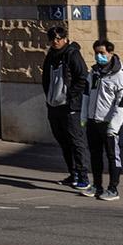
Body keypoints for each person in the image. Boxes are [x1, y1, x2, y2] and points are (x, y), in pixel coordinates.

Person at [41, 24, 91, 193]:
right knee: (63, 141)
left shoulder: (72, 54)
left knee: (76, 141)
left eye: (58, 38)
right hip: (54, 105)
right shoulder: (51, 55)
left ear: (65, 39)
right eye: (52, 39)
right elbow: (46, 78)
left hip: (70, 106)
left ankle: (83, 177)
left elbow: (82, 78)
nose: (55, 41)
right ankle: (73, 173)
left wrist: (70, 97)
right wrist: (49, 97)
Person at [84, 40, 123, 202]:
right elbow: (86, 96)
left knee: (112, 156)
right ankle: (97, 185)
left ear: (110, 53)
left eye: (102, 53)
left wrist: (114, 126)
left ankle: (113, 189)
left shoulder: (120, 74)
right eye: (96, 53)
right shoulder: (94, 72)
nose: (99, 56)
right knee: (95, 154)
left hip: (109, 124)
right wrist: (84, 117)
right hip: (93, 121)